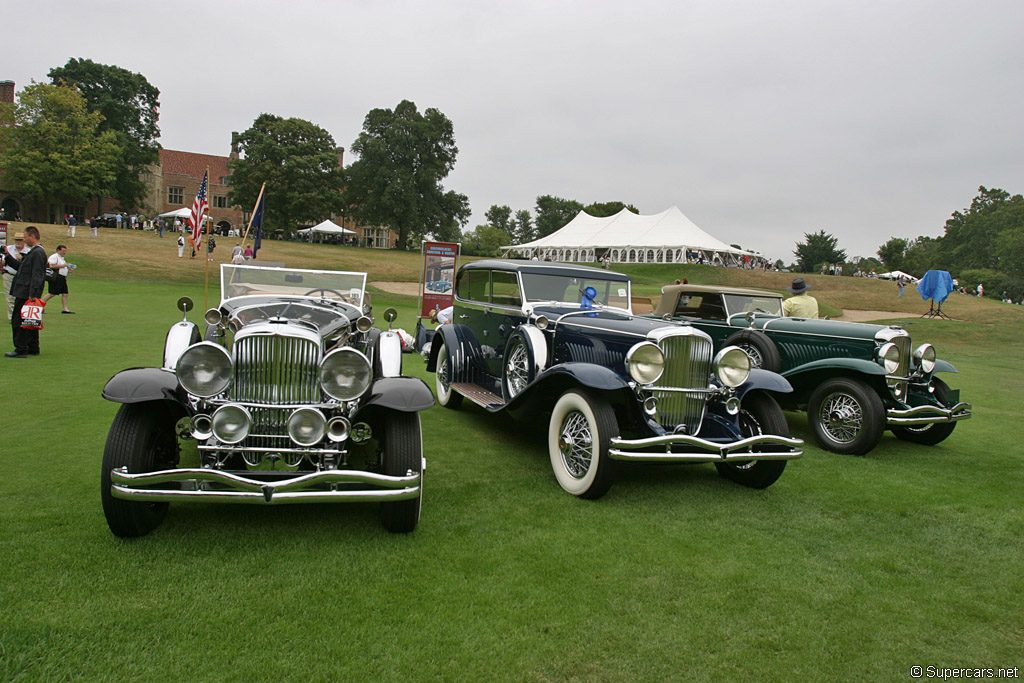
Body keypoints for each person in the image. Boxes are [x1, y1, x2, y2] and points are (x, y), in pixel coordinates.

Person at [7, 226, 47, 357]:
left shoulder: (37, 253)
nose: (24, 239)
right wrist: (7, 256)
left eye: (25, 236)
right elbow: (22, 268)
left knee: (18, 320)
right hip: (27, 290)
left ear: (32, 236)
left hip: (26, 291)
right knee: (30, 319)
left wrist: (33, 294)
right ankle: (33, 347)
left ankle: (20, 348)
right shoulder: (35, 252)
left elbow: (37, 275)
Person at [43, 244, 74, 314]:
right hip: (56, 278)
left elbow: (61, 267)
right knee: (52, 293)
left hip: (62, 278)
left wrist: (67, 270)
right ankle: (39, 305)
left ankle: (65, 309)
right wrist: (63, 266)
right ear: (58, 250)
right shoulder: (54, 257)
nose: (64, 252)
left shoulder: (61, 258)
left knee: (65, 293)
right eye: (63, 251)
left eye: (65, 251)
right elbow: (51, 265)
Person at [3, 232, 28, 321]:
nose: (18, 242)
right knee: (10, 297)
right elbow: (2, 261)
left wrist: (22, 259)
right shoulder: (8, 249)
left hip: (22, 277)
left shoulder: (28, 251)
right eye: (17, 240)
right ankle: (11, 317)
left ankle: (20, 315)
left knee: (20, 296)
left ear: (24, 240)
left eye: (20, 240)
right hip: (9, 274)